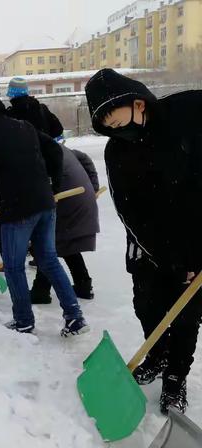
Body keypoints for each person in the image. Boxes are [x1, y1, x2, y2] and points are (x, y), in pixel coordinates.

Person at [85, 68, 202, 415]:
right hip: (148, 242)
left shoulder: (187, 112)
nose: (121, 133)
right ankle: (157, 355)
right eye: (111, 130)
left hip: (196, 240)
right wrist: (165, 257)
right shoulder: (117, 151)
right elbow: (129, 211)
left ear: (137, 103)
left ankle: (175, 378)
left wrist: (191, 259)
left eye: (121, 123)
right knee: (146, 305)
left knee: (184, 317)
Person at [0, 84, 89, 336]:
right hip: (45, 204)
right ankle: (75, 316)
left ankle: (24, 320)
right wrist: (52, 184)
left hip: (17, 210)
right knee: (48, 260)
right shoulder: (24, 126)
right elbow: (54, 150)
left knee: (14, 266)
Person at [30, 147, 100, 303]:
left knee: (48, 244)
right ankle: (83, 285)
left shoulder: (36, 152)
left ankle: (41, 290)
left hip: (68, 199)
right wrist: (93, 187)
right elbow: (84, 158)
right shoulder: (56, 148)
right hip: (78, 196)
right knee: (67, 242)